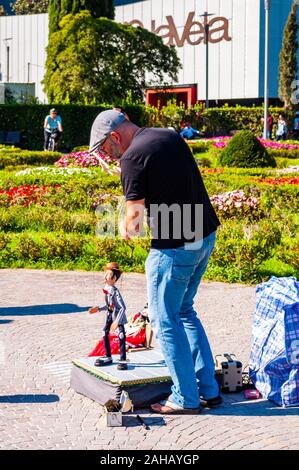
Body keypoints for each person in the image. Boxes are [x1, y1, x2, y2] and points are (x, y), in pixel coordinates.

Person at [89, 109, 221, 415]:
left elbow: (133, 227)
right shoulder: (168, 136)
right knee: (184, 312)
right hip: (204, 237)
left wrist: (121, 224)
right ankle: (207, 390)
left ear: (115, 137)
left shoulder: (131, 158)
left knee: (165, 321)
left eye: (106, 150)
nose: (107, 157)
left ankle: (185, 398)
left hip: (174, 249)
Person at [88, 262, 128, 371]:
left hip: (118, 316)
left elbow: (122, 307)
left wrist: (116, 322)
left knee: (121, 335)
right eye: (105, 275)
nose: (105, 278)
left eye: (108, 276)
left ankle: (123, 359)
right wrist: (99, 309)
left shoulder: (115, 292)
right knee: (104, 333)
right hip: (110, 314)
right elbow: (109, 305)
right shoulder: (107, 289)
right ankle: (108, 356)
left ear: (114, 278)